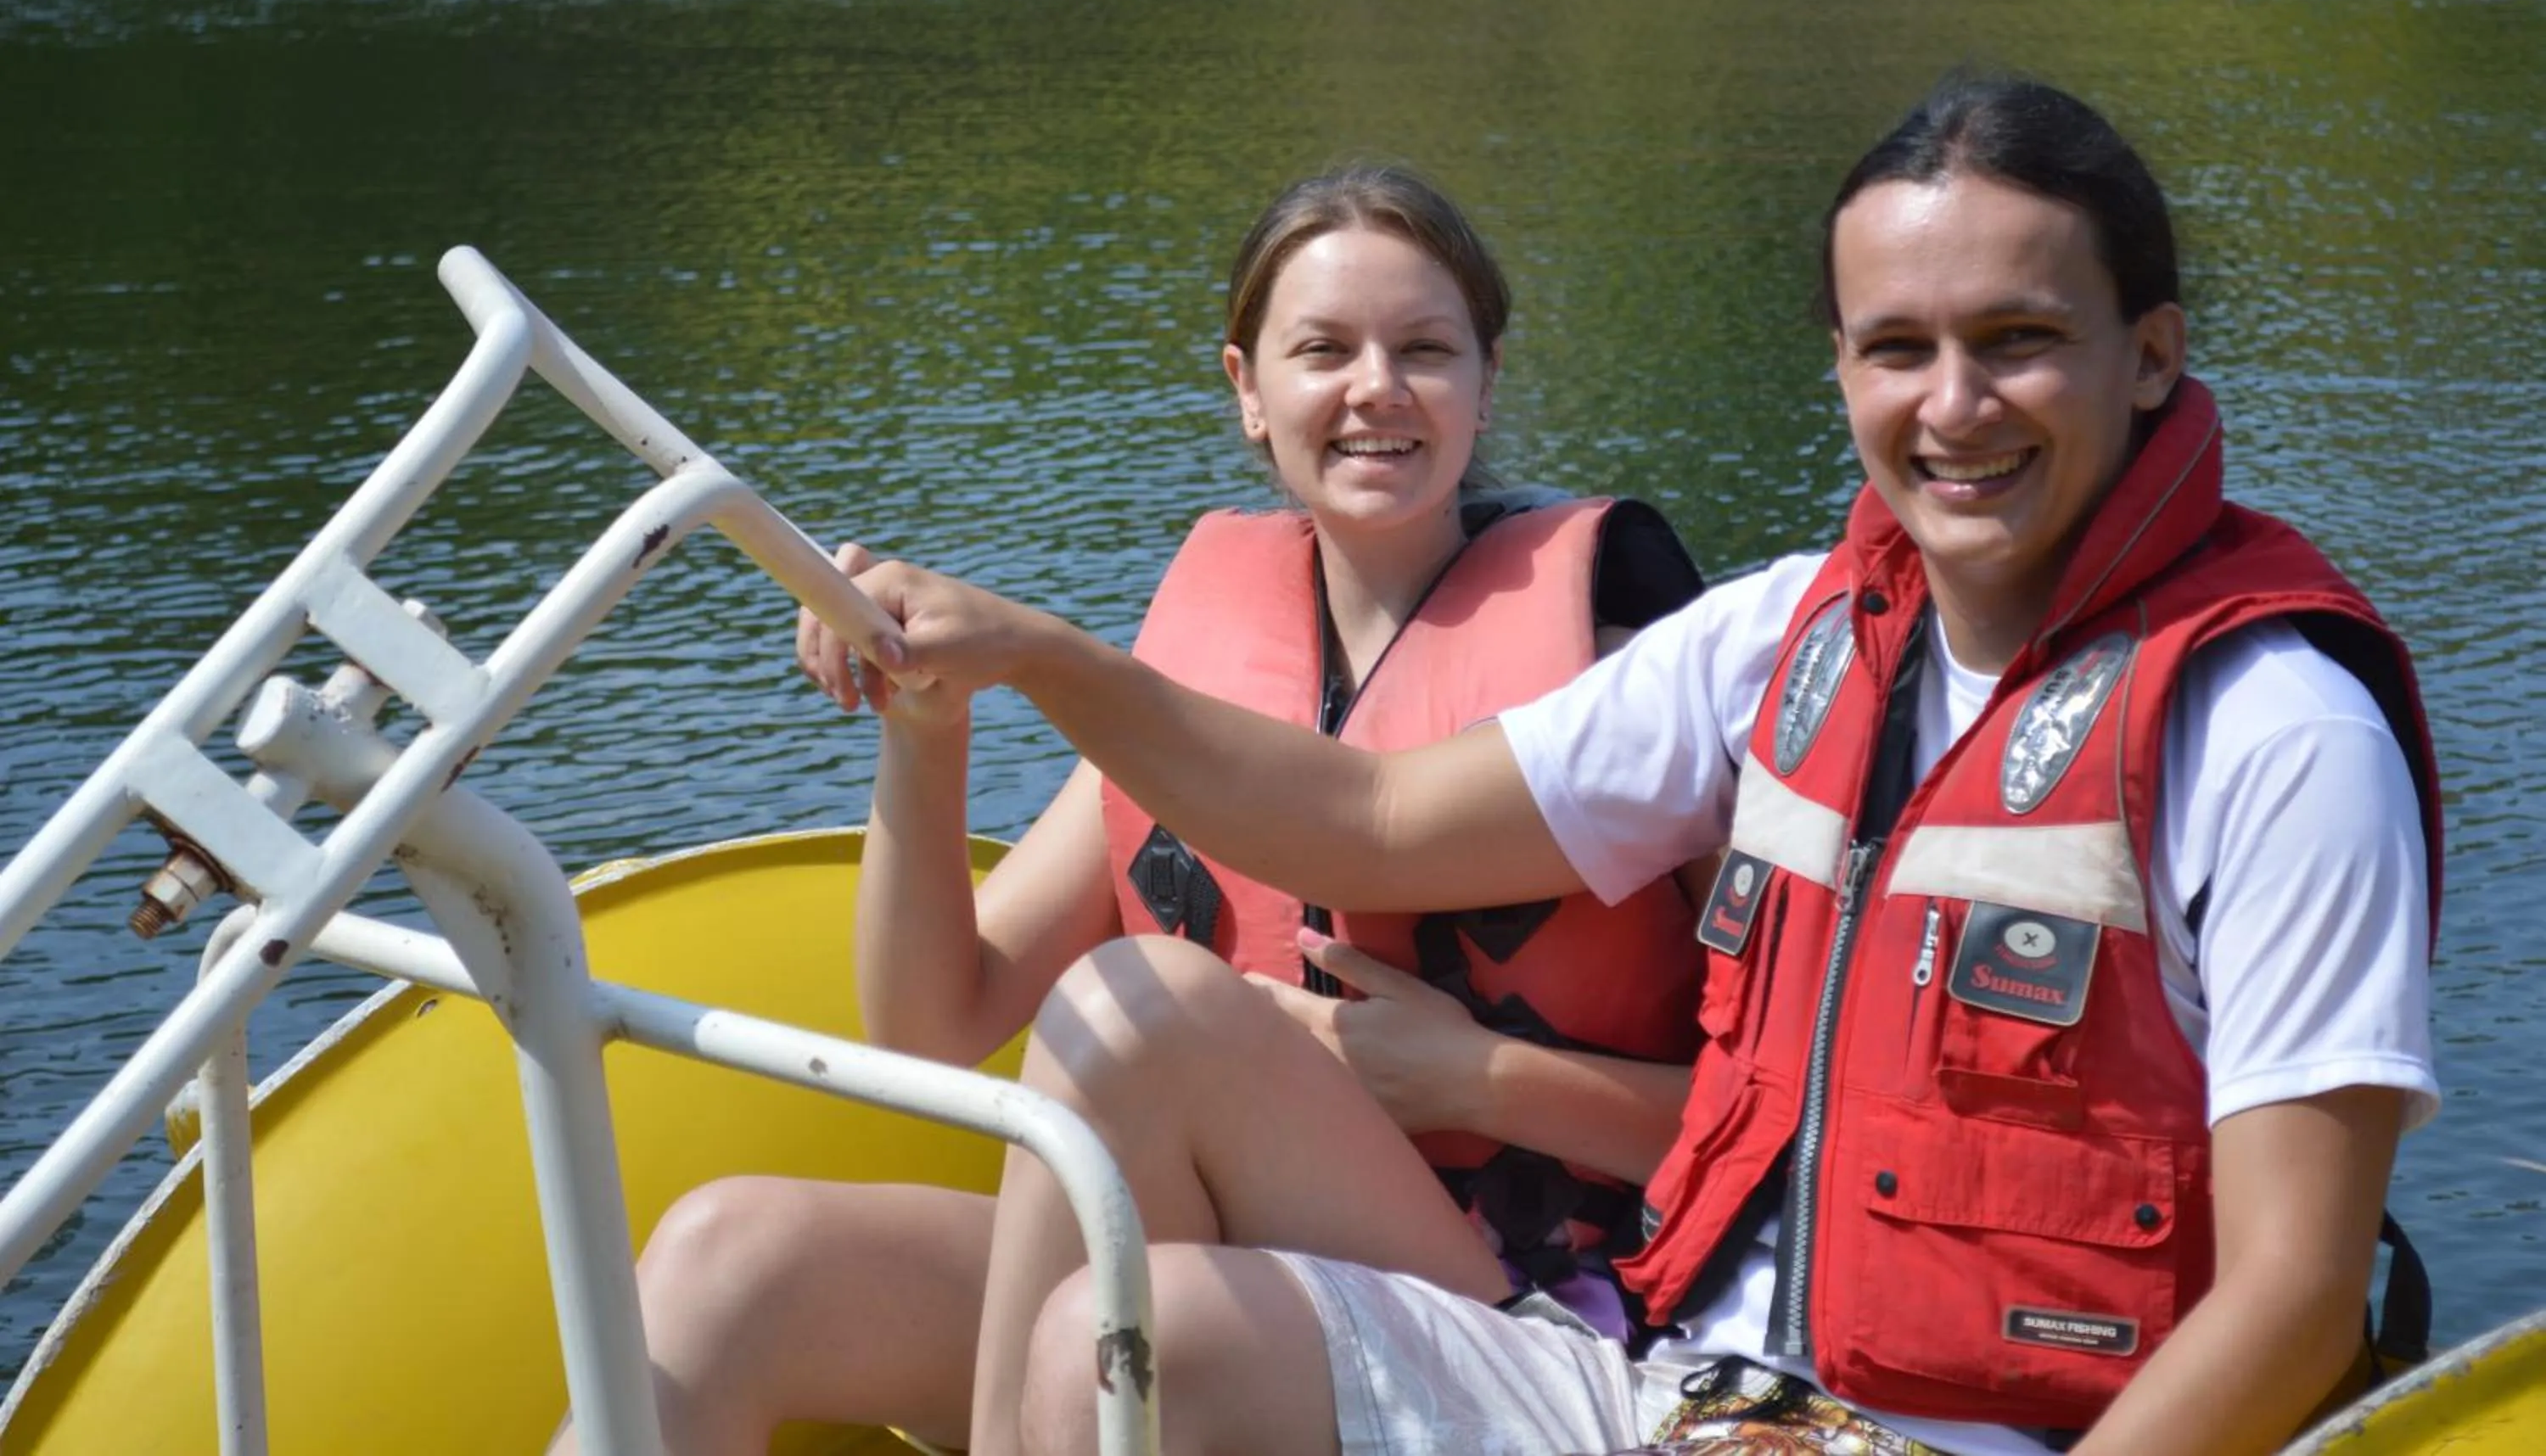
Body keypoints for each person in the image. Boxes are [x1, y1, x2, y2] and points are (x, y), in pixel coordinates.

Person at [837, 76, 2444, 1456]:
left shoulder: (2277, 731)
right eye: (1897, 347)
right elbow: (1371, 817)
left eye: (2017, 340)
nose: (1953, 405)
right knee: (1118, 1333)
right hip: (1668, 1395)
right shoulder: (1772, 644)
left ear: (2150, 354)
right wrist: (1035, 661)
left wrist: (1474, 1078)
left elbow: (2296, 1298)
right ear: (1839, 368)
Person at [552, 165, 1708, 1455]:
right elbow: (932, 1026)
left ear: (1487, 381)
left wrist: (1472, 1081)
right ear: (1247, 389)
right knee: (732, 1259)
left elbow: (1803, 1121)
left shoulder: (1626, 680)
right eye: (1323, 349)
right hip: (1231, 1274)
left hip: (1542, 1318)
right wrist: (927, 728)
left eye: (1424, 350)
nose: (1375, 387)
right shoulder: (1201, 679)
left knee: (1137, 1004)